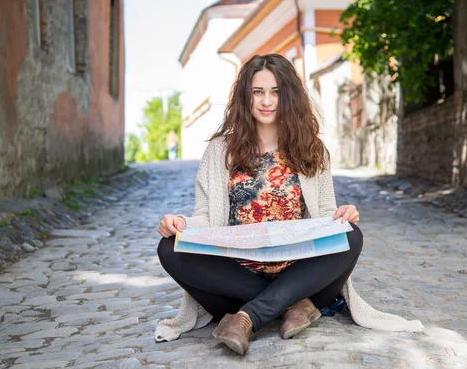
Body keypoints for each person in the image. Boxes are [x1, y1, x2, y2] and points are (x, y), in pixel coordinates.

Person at [155, 54, 423, 355]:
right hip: (236, 281)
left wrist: (342, 216)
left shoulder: (312, 149)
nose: (267, 101)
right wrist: (180, 223)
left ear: (289, 96)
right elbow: (206, 216)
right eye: (258, 92)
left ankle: (247, 318)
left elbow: (324, 215)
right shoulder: (220, 151)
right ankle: (291, 307)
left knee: (349, 235)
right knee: (169, 247)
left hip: (302, 277)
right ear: (246, 96)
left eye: (276, 92)